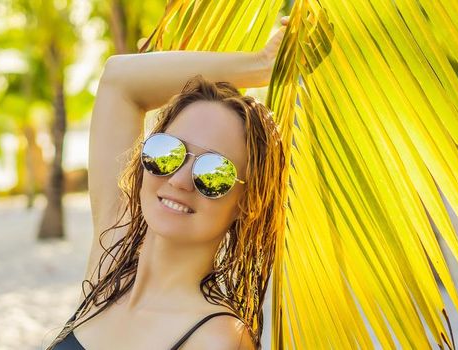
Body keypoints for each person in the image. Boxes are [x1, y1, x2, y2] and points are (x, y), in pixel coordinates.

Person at [46, 17, 292, 350]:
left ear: (246, 203)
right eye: (167, 152)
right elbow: (120, 80)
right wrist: (261, 64)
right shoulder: (112, 261)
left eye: (213, 174)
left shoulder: (216, 339)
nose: (177, 180)